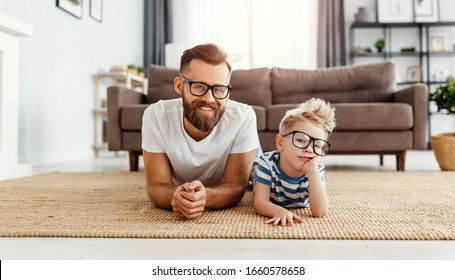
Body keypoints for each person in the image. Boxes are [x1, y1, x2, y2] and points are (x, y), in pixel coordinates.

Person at [142, 43, 258, 219]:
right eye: (199, 87)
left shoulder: (243, 116)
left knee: (261, 173)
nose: (209, 99)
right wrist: (176, 196)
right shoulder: (155, 116)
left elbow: (236, 186)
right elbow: (156, 186)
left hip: (249, 152)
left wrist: (206, 197)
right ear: (179, 86)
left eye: (219, 89)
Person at [252, 98, 336, 226]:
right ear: (280, 143)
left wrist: (312, 170)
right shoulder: (267, 162)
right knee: (251, 171)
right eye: (301, 140)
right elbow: (259, 203)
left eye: (317, 145)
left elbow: (320, 212)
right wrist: (280, 211)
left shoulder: (316, 169)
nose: (309, 149)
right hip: (260, 169)